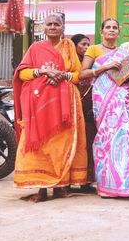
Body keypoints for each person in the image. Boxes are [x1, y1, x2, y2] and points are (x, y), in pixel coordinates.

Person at [13, 13, 87, 202]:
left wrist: (63, 76)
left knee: (62, 144)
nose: (53, 27)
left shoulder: (69, 47)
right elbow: (22, 74)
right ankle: (42, 188)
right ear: (43, 28)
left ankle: (61, 186)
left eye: (57, 24)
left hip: (66, 103)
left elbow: (78, 75)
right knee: (39, 144)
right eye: (49, 24)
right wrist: (42, 71)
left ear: (63, 28)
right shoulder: (35, 48)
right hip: (39, 104)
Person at [80, 18, 129, 198]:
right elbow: (82, 74)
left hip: (122, 97)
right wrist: (105, 67)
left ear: (119, 32)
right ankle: (107, 184)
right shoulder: (94, 49)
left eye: (115, 27)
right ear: (102, 31)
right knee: (107, 138)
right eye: (108, 27)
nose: (112, 30)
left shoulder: (123, 51)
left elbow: (126, 77)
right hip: (103, 98)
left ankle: (126, 183)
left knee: (126, 136)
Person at [71, 33, 96, 190]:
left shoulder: (90, 63)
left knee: (88, 143)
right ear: (74, 46)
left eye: (88, 45)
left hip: (89, 109)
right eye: (83, 44)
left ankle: (86, 181)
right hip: (74, 106)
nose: (86, 48)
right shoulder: (71, 64)